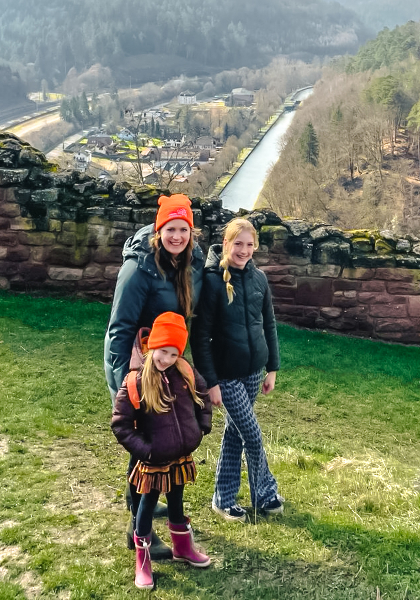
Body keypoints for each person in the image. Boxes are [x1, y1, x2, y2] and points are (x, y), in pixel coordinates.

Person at [104, 193, 204, 559]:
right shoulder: (139, 268)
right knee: (145, 438)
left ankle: (147, 503)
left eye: (183, 229)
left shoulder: (189, 264)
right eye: (170, 229)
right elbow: (120, 327)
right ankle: (137, 525)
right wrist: (121, 383)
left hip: (166, 359)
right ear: (158, 230)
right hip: (137, 360)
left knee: (164, 434)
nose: (176, 236)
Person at [190, 218, 282, 522]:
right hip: (226, 375)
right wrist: (211, 382)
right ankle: (265, 493)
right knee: (253, 436)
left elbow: (268, 324)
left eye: (249, 244)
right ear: (226, 243)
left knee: (235, 433)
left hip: (254, 371)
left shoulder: (260, 280)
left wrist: (272, 368)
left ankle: (224, 498)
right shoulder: (213, 281)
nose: (243, 250)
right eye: (237, 243)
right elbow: (200, 336)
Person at [112, 312, 213, 590]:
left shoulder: (185, 372)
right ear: (152, 345)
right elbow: (120, 424)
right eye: (162, 351)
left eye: (173, 353)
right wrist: (146, 450)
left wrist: (201, 426)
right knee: (146, 505)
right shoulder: (136, 380)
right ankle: (142, 561)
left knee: (177, 500)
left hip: (180, 456)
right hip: (154, 459)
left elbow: (203, 395)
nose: (166, 359)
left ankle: (182, 548)